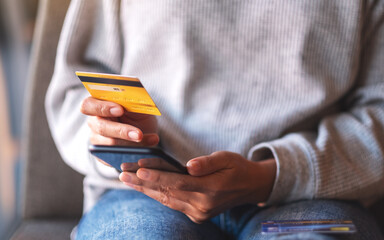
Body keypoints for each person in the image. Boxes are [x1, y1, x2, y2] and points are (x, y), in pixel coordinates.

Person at [45, 0, 384, 239]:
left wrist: (275, 174)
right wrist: (107, 135)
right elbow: (73, 92)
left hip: (309, 195)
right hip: (143, 194)